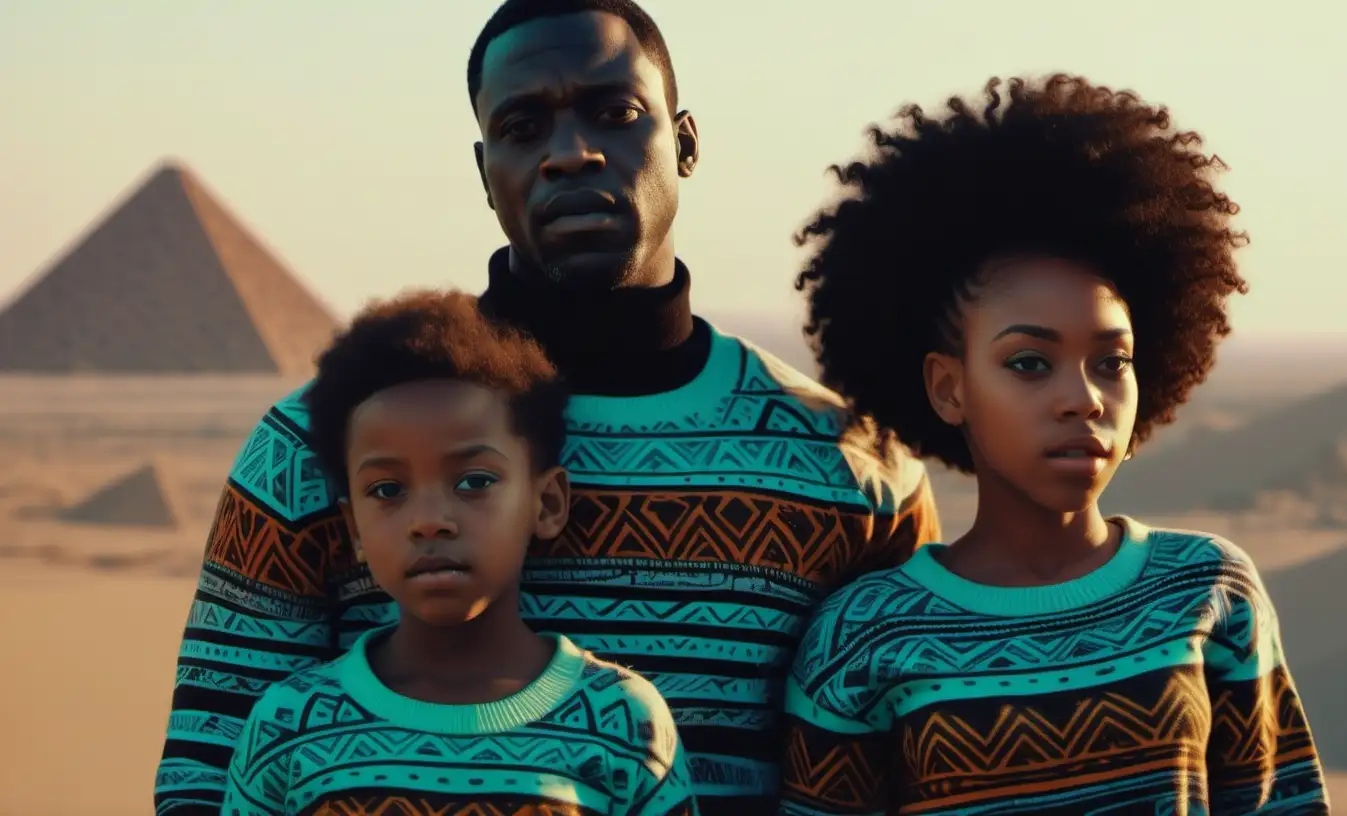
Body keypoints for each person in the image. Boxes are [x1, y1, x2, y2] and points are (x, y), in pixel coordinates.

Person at [153, 1, 939, 812]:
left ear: (688, 141)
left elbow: (896, 774)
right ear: (485, 169)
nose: (572, 154)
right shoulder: (316, 449)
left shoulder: (850, 466)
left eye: (616, 113)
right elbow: (205, 783)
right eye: (525, 128)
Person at [778, 75, 1329, 815]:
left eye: (1113, 361)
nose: (1084, 397)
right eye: (1029, 363)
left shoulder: (1208, 591)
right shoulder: (861, 638)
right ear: (948, 388)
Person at [219, 290, 696, 815]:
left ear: (548, 502)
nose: (429, 521)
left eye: (474, 481)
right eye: (387, 490)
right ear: (354, 527)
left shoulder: (623, 723)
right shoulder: (289, 726)